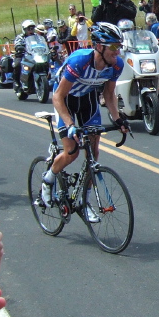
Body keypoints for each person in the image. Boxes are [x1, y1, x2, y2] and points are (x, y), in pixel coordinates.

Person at [41, 23, 129, 210]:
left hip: (88, 99)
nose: (118, 51)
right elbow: (58, 97)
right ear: (99, 46)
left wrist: (118, 119)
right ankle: (48, 179)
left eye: (120, 46)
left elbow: (109, 94)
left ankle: (84, 201)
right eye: (114, 46)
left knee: (93, 154)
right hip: (66, 98)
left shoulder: (116, 65)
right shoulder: (80, 61)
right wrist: (70, 124)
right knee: (72, 152)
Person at [12, 20, 38, 89]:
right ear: (24, 29)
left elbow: (42, 43)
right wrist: (19, 47)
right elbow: (17, 44)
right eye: (29, 29)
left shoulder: (37, 36)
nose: (31, 30)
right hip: (23, 55)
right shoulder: (20, 37)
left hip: (35, 55)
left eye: (32, 28)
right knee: (17, 64)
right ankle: (17, 81)